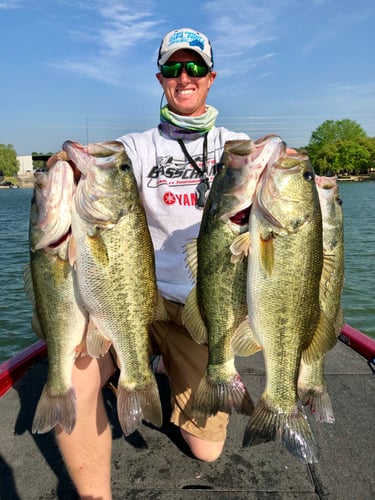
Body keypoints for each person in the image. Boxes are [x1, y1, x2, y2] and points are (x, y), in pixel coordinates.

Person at [50, 28, 253, 499]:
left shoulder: (235, 147)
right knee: (73, 370)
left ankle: (153, 366)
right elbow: (103, 175)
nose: (185, 76)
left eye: (195, 67)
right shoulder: (135, 149)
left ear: (211, 77)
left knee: (206, 450)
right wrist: (68, 167)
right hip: (130, 295)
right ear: (160, 78)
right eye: (174, 68)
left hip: (198, 307)